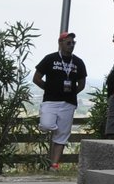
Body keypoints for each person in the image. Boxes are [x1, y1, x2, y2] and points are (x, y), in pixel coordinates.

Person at [34, 32, 87, 170]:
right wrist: (48, 88)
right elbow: (36, 78)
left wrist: (72, 93)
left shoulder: (78, 62)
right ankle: (55, 131)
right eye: (68, 42)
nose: (71, 45)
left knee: (62, 135)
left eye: (73, 43)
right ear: (60, 43)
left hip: (68, 103)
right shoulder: (50, 59)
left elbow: (81, 83)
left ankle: (54, 165)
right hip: (50, 101)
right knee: (46, 125)